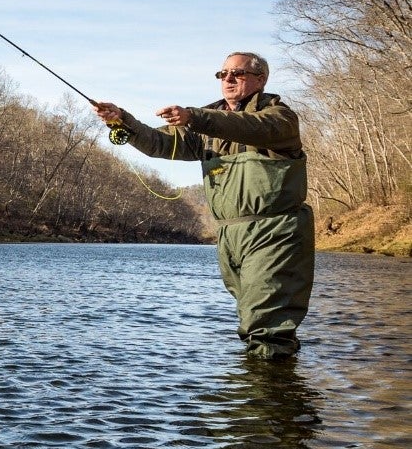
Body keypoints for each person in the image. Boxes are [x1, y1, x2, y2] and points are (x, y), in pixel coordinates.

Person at [92, 52, 314, 359]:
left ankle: (270, 399)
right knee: (251, 319)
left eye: (237, 73)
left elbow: (248, 127)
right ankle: (261, 393)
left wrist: (195, 118)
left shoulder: (279, 117)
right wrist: (122, 120)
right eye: (223, 75)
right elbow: (160, 143)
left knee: (268, 327)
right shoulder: (208, 124)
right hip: (230, 236)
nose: (229, 79)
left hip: (275, 231)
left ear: (260, 80)